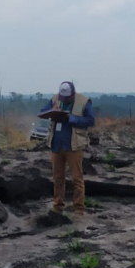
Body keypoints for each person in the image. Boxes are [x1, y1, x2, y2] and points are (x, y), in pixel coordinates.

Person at [40, 81, 95, 215]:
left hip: (74, 146)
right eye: (62, 98)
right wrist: (52, 113)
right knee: (58, 178)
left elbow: (90, 120)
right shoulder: (55, 98)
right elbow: (42, 112)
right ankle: (58, 207)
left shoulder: (83, 101)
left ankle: (79, 210)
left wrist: (72, 118)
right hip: (56, 145)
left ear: (73, 94)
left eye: (67, 98)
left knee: (77, 179)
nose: (64, 100)